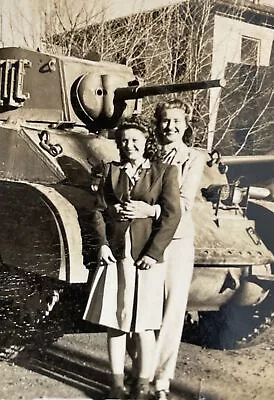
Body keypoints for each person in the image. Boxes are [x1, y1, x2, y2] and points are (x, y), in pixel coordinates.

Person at [83, 118, 181, 400]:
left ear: (146, 142)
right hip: (116, 256)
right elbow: (98, 211)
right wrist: (101, 246)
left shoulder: (164, 172)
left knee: (144, 325)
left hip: (146, 257)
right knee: (116, 321)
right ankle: (115, 386)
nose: (130, 145)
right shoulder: (110, 171)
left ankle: (141, 386)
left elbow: (172, 214)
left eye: (136, 140)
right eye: (124, 141)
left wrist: (153, 253)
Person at [127, 99, 206, 399]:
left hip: (176, 243)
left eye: (176, 121)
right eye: (164, 120)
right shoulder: (147, 153)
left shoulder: (193, 158)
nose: (170, 126)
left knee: (171, 313)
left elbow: (183, 204)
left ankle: (160, 381)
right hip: (145, 240)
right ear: (157, 125)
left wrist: (148, 211)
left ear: (186, 126)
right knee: (141, 311)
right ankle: (140, 373)